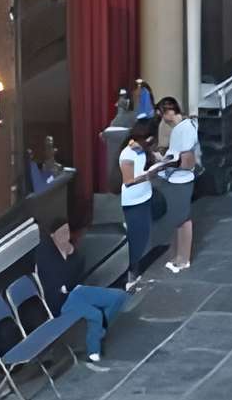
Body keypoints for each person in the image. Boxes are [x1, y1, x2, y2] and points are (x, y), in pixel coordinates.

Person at [32, 222, 127, 369]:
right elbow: (58, 285)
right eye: (62, 233)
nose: (66, 236)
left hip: (76, 291)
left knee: (118, 296)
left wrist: (71, 255)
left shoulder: (69, 252)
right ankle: (93, 352)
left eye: (67, 232)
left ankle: (98, 332)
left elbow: (76, 277)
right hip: (60, 300)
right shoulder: (46, 254)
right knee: (95, 314)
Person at [155, 97, 200, 274]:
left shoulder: (185, 129)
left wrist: (165, 163)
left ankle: (183, 259)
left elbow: (187, 160)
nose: (163, 119)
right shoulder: (181, 128)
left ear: (169, 111)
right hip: (176, 177)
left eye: (162, 114)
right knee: (179, 218)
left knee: (183, 219)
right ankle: (179, 256)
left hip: (182, 179)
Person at [117, 118, 159, 288]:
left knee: (145, 235)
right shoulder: (127, 154)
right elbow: (128, 180)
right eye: (148, 139)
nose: (150, 142)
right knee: (136, 239)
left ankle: (138, 271)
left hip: (145, 197)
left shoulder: (143, 150)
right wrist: (148, 175)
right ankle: (131, 276)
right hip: (132, 201)